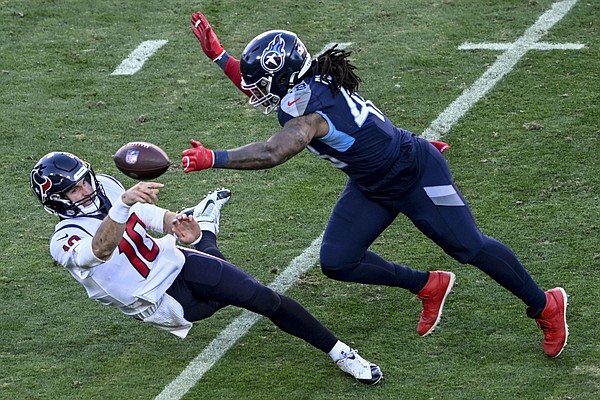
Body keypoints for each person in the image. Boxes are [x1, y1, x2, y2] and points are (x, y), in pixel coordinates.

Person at [181, 12, 569, 358]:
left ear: (283, 77)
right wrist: (220, 57)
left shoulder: (309, 112)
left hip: (414, 172)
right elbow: (263, 91)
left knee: (469, 246)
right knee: (338, 261)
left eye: (265, 83)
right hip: (372, 182)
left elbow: (272, 152)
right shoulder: (307, 83)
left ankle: (545, 305)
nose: (257, 93)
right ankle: (427, 285)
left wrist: (215, 158)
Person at [30, 151, 382, 385]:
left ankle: (341, 353)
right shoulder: (64, 239)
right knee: (219, 299)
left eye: (85, 180)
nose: (87, 189)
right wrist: (123, 205)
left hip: (174, 261)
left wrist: (171, 221)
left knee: (261, 297)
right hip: (156, 300)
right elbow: (101, 249)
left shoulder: (106, 185)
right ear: (56, 200)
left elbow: (140, 213)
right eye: (75, 190)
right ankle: (207, 233)